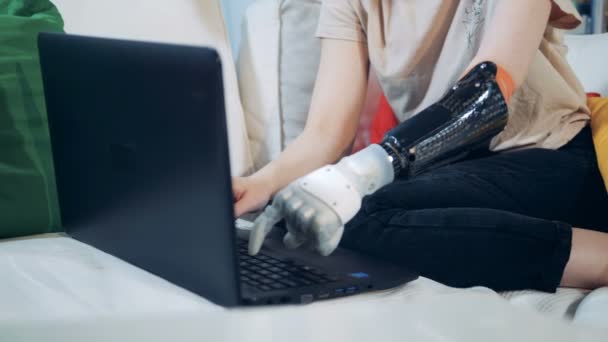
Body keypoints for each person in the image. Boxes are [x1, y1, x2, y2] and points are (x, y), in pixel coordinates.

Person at [233, 0, 608, 292]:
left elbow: (486, 97)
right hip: (457, 169)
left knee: (356, 216)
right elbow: (325, 131)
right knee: (315, 221)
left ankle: (599, 257)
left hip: (553, 155)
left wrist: (357, 172)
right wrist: (263, 184)